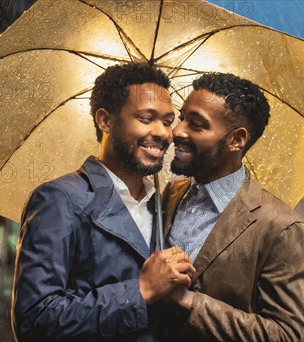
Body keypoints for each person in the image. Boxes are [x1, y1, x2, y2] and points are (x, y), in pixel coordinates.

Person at [11, 63, 195, 341]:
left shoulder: (165, 205)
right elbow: (35, 320)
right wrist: (141, 291)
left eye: (168, 121)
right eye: (147, 118)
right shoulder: (60, 199)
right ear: (105, 121)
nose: (163, 133)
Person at [159, 73, 304, 340]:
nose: (177, 131)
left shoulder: (280, 225)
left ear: (236, 140)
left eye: (196, 125)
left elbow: (287, 334)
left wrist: (190, 302)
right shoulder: (170, 194)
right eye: (181, 118)